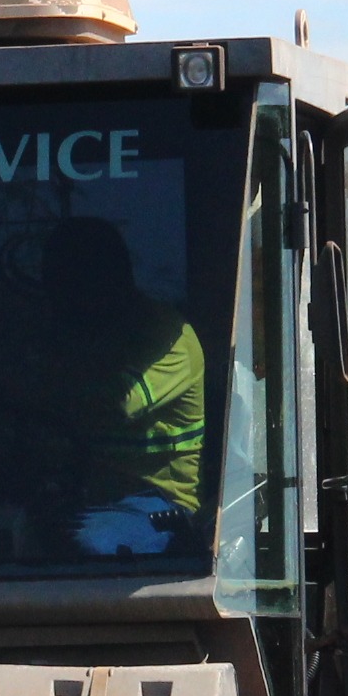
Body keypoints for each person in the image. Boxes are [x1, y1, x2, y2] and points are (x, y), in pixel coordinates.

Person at [36, 217, 204, 552]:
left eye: (72, 283)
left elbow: (119, 403)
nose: (63, 299)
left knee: (87, 545)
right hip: (86, 497)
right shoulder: (79, 336)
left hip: (158, 504)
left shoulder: (166, 336)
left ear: (107, 278)